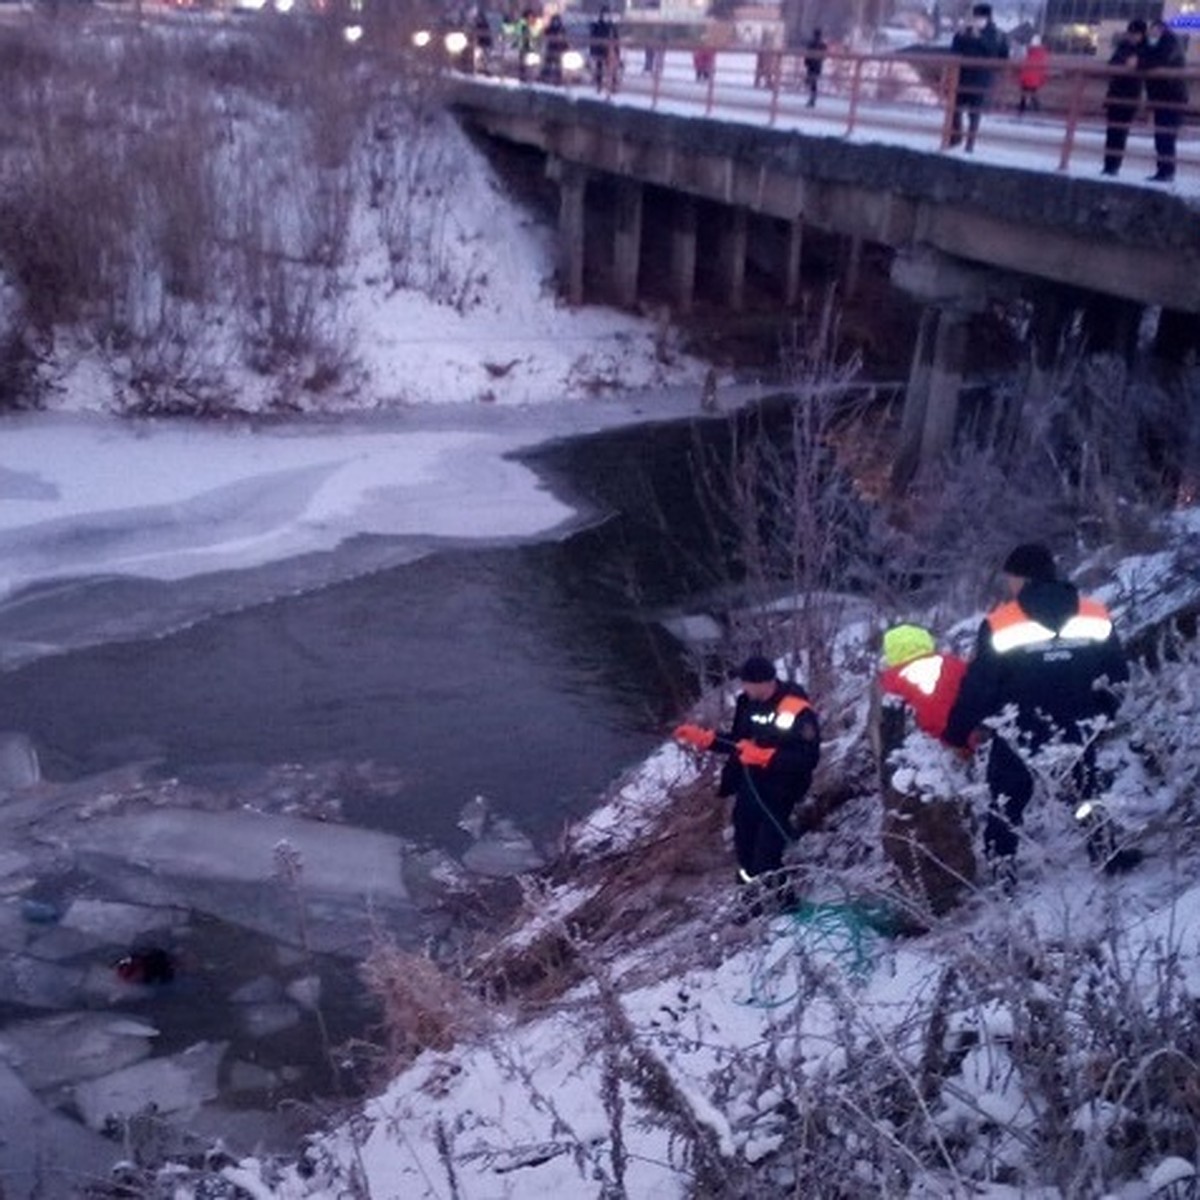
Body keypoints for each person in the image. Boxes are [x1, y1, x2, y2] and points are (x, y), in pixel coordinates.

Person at [943, 543, 1139, 880]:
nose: (1009, 586)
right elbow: (1117, 674)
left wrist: (958, 732)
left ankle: (1003, 874)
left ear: (1021, 579)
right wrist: (1102, 712)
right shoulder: (1093, 612)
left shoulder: (1000, 622)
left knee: (1007, 801)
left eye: (1011, 579)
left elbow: (980, 687)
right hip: (1078, 720)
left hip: (1019, 725)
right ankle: (1106, 854)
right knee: (1084, 789)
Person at [674, 655, 821, 915]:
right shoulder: (747, 703)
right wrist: (706, 739)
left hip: (780, 790)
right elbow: (737, 741)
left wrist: (767, 757)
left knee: (766, 856)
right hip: (750, 786)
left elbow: (807, 758)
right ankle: (749, 901)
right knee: (744, 850)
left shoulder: (796, 709)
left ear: (764, 682)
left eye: (747, 684)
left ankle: (787, 905)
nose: (744, 689)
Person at [877, 625, 977, 917]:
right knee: (952, 825)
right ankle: (962, 886)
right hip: (963, 753)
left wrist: (888, 777)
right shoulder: (958, 666)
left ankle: (934, 900)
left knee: (904, 835)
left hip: (921, 760)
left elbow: (891, 735)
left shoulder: (894, 681)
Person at [949, 3, 1009, 152]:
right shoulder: (965, 32)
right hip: (961, 77)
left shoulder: (996, 34)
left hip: (982, 79)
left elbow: (1000, 56)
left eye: (980, 17)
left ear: (988, 18)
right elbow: (954, 51)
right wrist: (960, 35)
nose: (977, 20)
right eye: (975, 17)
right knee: (955, 109)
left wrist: (979, 37)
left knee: (974, 113)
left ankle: (970, 144)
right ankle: (955, 138)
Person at [1139, 18, 1189, 183]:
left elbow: (1157, 62)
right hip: (1161, 96)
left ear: (1161, 30)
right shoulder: (1152, 44)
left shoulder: (1170, 43)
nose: (1151, 34)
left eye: (1154, 31)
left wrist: (1141, 63)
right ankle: (1163, 171)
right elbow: (1145, 58)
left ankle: (1166, 172)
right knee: (1161, 135)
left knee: (1165, 135)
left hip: (1173, 96)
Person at [1102, 21, 1145, 177]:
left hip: (1130, 96)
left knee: (1120, 132)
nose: (1132, 37)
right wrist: (1124, 65)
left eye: (1136, 34)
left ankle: (1114, 166)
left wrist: (1135, 65)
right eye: (1131, 33)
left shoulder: (1145, 49)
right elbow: (1112, 64)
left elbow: (1144, 66)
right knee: (1111, 131)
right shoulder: (1123, 47)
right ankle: (1108, 165)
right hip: (1115, 93)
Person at [589, 5, 619, 92]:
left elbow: (616, 39)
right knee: (600, 68)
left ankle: (612, 86)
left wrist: (617, 51)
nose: (606, 16)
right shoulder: (597, 25)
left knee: (612, 69)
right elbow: (593, 38)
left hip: (609, 51)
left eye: (607, 14)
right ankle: (599, 85)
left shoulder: (611, 25)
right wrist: (593, 50)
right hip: (599, 50)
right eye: (605, 14)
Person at [1017, 34, 1048, 115]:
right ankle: (1035, 109)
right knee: (1031, 93)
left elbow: (1025, 65)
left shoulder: (1030, 52)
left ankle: (1023, 110)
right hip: (1032, 77)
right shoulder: (1040, 53)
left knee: (1027, 94)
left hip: (1028, 77)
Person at [541, 13, 569, 85]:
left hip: (557, 49)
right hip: (551, 48)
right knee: (549, 63)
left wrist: (565, 46)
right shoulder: (551, 28)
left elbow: (564, 38)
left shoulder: (561, 28)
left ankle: (557, 79)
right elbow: (545, 33)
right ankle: (545, 78)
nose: (555, 22)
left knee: (557, 64)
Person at [803, 28, 826, 108]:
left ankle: (812, 99)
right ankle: (812, 98)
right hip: (818, 66)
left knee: (812, 82)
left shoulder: (811, 43)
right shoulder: (823, 45)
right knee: (814, 82)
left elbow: (807, 54)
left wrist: (806, 62)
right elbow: (824, 56)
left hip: (811, 65)